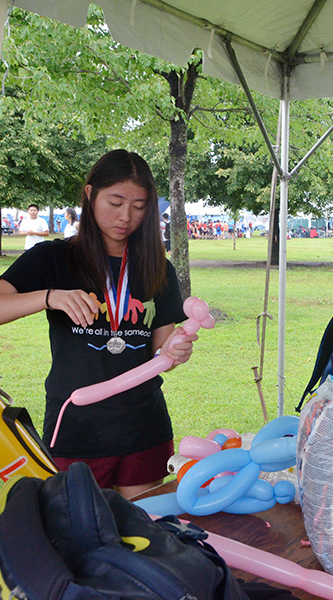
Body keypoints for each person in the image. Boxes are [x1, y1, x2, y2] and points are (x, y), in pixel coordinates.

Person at [0, 149, 196, 499]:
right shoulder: (55, 258)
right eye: (116, 202)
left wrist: (175, 349)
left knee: (140, 533)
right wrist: (50, 296)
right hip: (76, 428)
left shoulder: (158, 267)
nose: (126, 217)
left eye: (139, 207)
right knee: (79, 536)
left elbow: (161, 345)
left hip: (144, 428)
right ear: (90, 195)